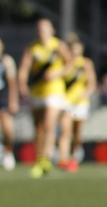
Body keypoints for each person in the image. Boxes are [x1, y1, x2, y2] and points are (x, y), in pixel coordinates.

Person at [17, 17, 70, 178]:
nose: (42, 32)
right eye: (39, 29)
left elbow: (69, 63)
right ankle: (40, 159)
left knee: (49, 124)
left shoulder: (58, 46)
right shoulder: (33, 48)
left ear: (51, 30)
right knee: (38, 127)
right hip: (37, 91)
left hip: (54, 91)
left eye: (45, 29)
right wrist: (22, 86)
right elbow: (24, 69)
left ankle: (46, 158)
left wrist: (57, 73)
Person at [57, 34, 96, 172]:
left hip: (81, 103)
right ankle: (63, 160)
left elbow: (91, 84)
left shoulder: (86, 64)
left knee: (77, 134)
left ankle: (74, 154)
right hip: (66, 102)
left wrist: (85, 94)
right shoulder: (64, 64)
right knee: (65, 131)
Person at [0, 42, 17, 170]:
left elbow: (12, 83)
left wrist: (13, 100)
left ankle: (8, 152)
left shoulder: (7, 61)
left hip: (4, 99)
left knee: (8, 129)